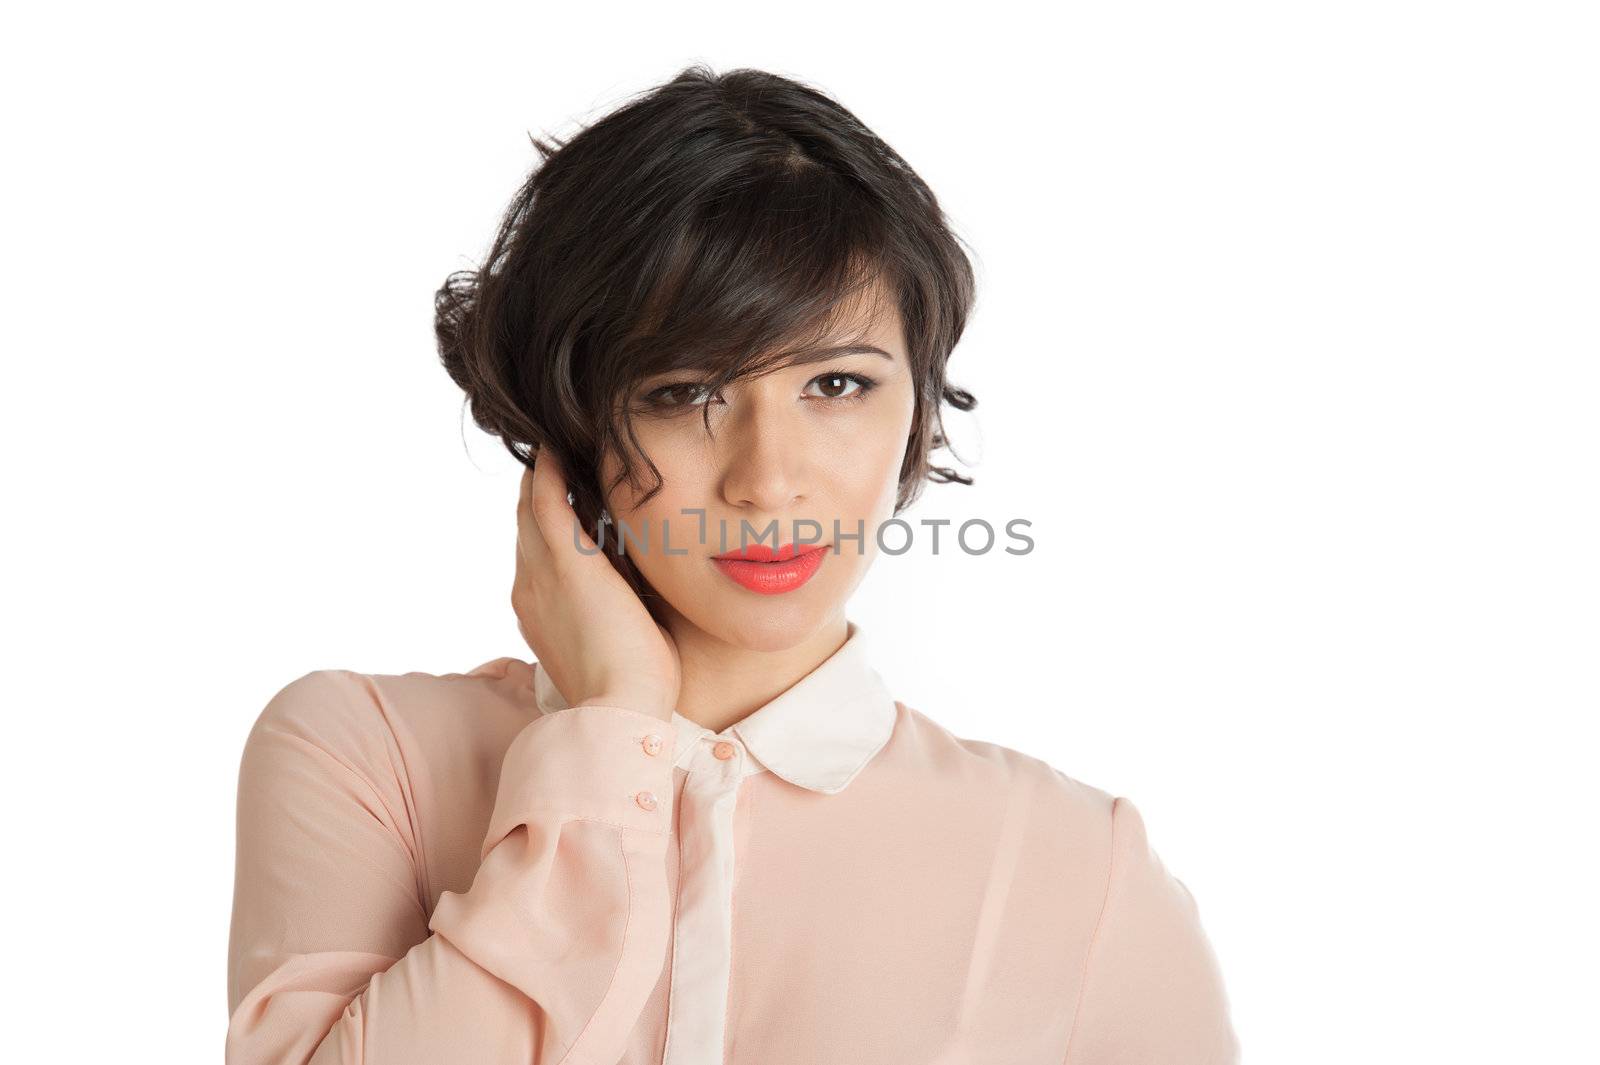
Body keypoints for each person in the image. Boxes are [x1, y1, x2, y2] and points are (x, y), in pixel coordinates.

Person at [225, 64, 1240, 1064]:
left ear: (916, 415)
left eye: (837, 383)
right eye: (681, 390)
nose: (767, 481)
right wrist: (611, 729)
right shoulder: (367, 758)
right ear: (567, 424)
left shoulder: (1077, 865)